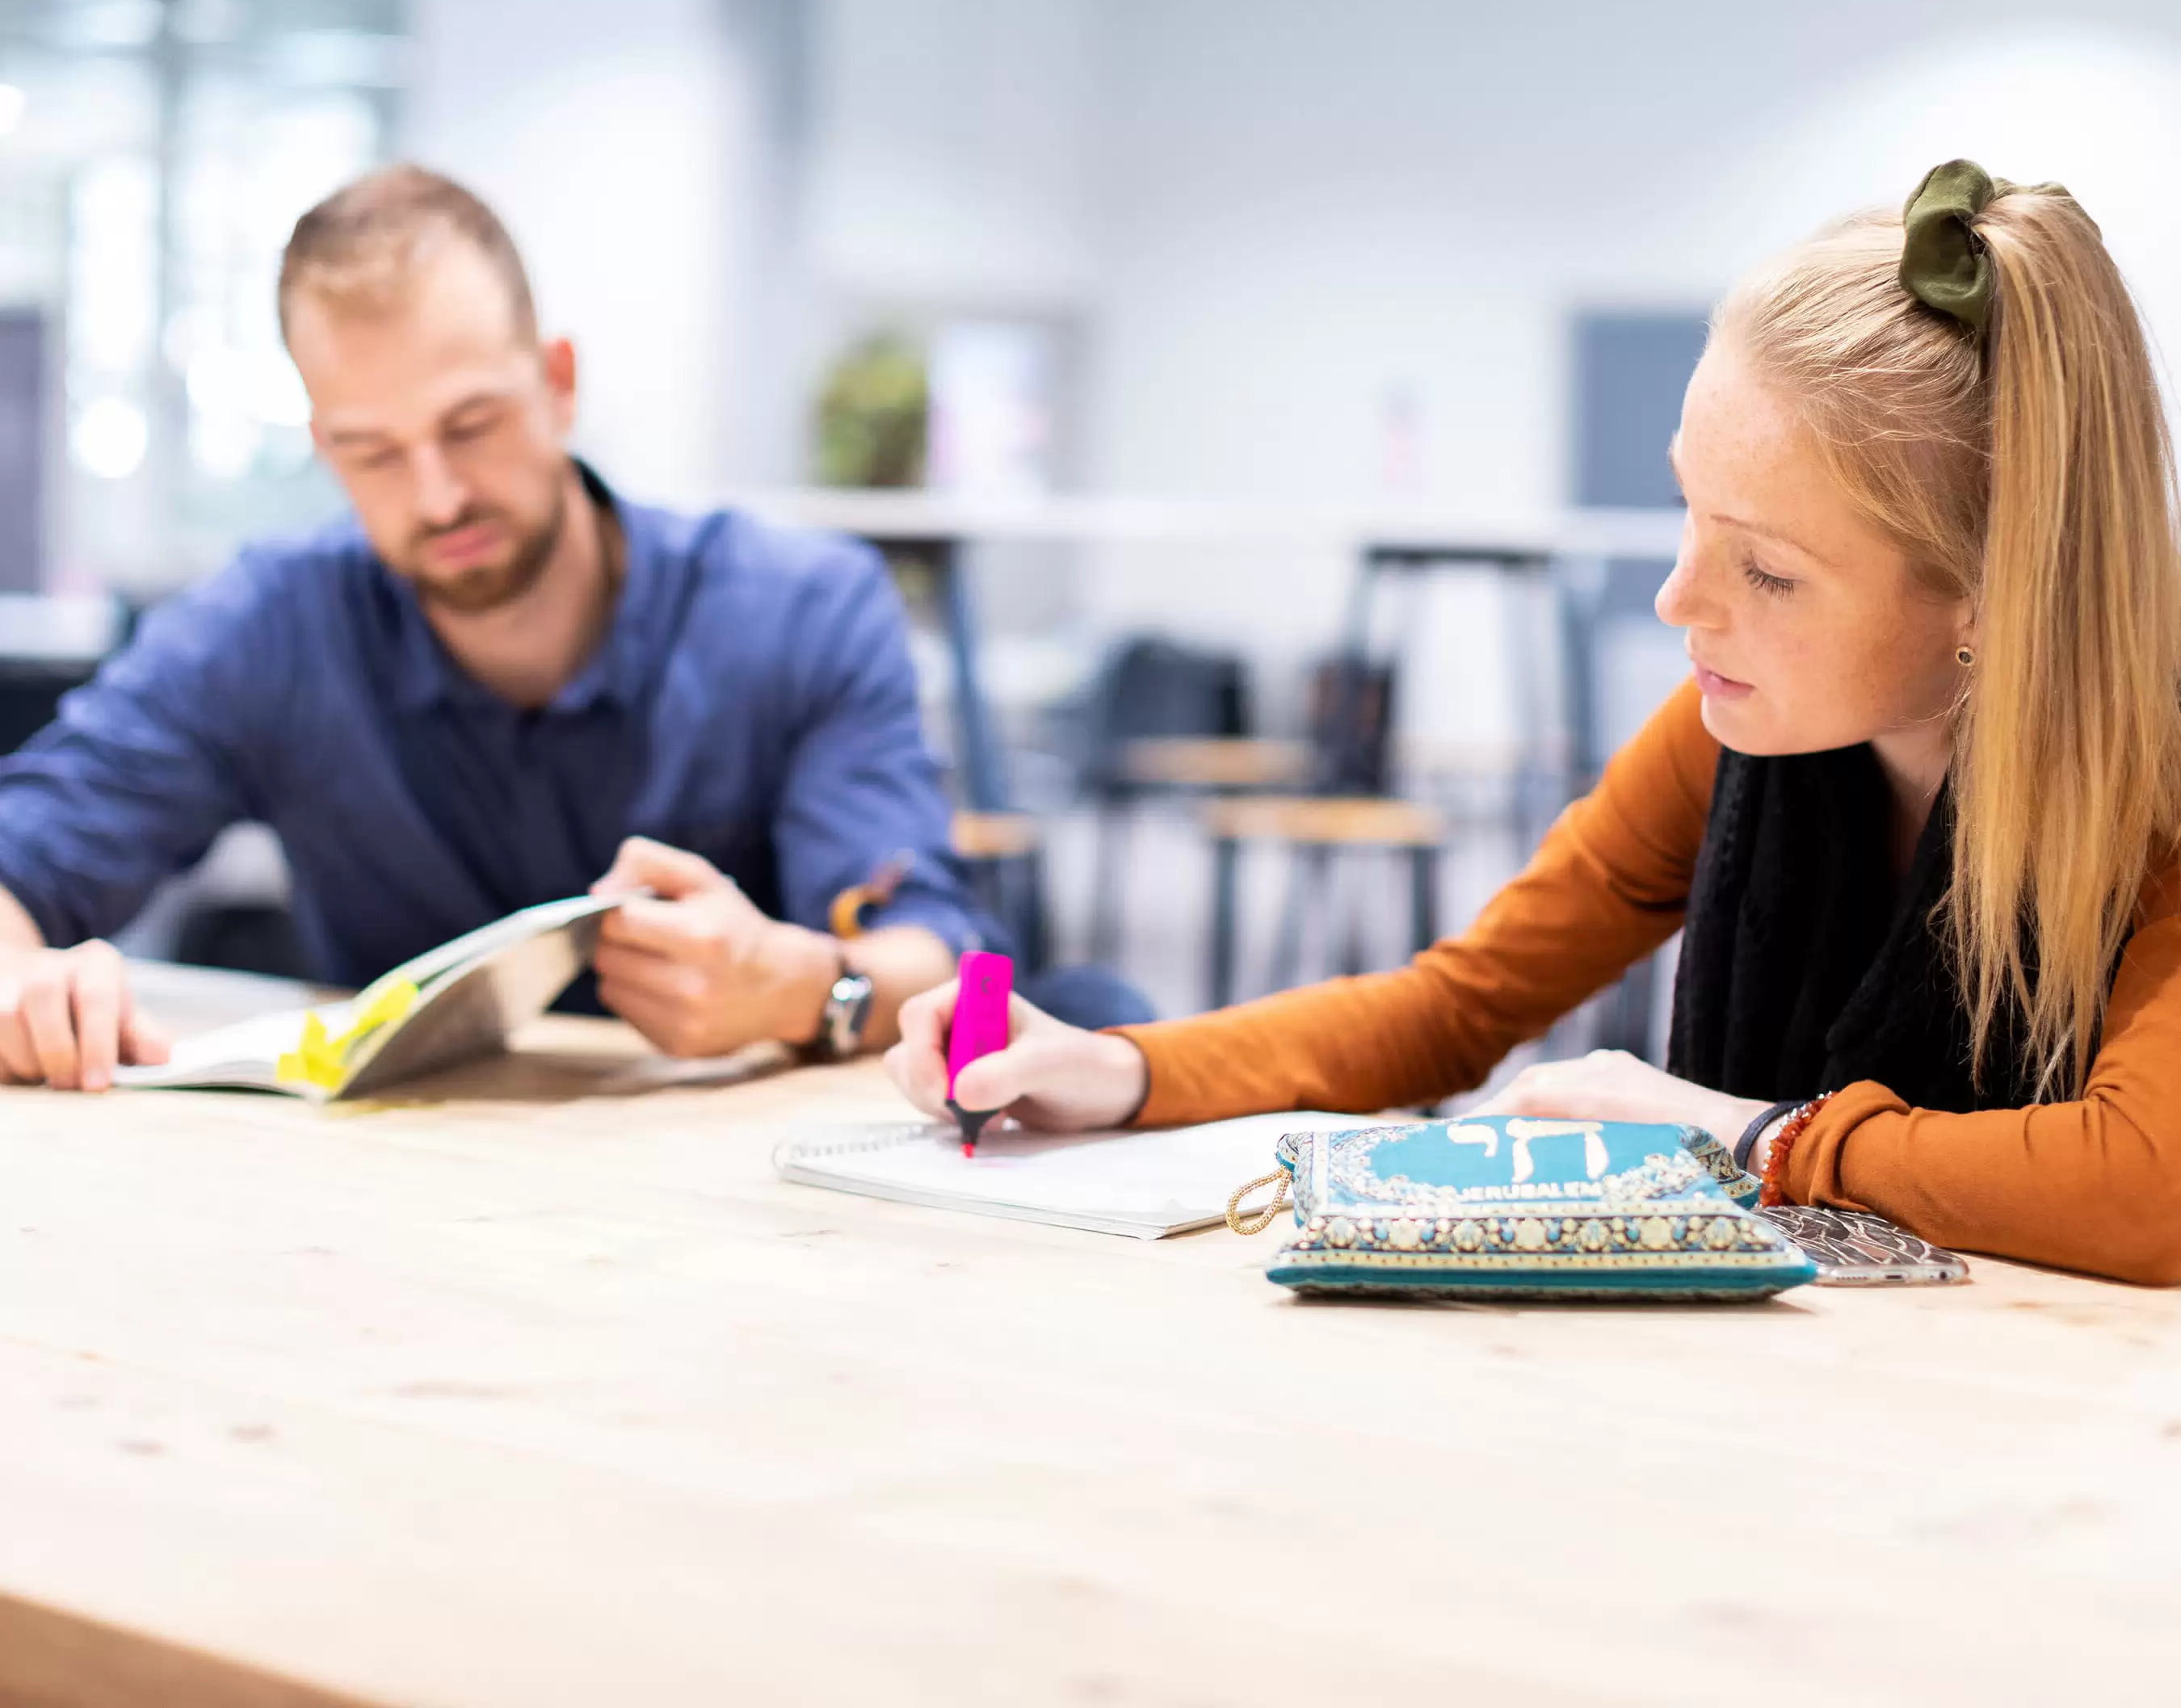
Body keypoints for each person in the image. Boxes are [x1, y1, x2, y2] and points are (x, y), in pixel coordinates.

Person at [890, 160, 2181, 1286]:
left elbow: (2148, 1184)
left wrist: (1744, 1135)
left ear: (1993, 596)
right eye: (1688, 513)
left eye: (1769, 572)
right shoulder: (1732, 729)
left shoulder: (2154, 785)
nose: (1680, 600)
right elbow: (1456, 1006)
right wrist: (1117, 1069)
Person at [0, 164, 1145, 1090]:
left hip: (767, 1233)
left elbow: (966, 973)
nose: (437, 495)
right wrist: (21, 985)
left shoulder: (800, 609)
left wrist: (811, 988)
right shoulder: (273, 626)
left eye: (472, 423)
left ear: (558, 383)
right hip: (406, 1223)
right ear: (321, 444)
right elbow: (23, 856)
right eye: (373, 452)